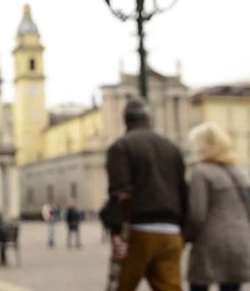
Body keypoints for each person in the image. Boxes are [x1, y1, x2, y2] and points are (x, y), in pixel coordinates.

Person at [104, 98, 187, 291]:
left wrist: (117, 232)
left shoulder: (121, 147)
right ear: (150, 120)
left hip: (139, 230)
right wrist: (182, 229)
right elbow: (183, 191)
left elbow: (121, 193)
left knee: (121, 285)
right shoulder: (172, 148)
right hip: (171, 232)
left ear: (126, 122)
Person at [184, 122, 250, 291]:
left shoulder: (201, 172)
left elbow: (197, 215)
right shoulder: (240, 173)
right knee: (231, 287)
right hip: (240, 241)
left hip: (211, 243)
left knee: (199, 285)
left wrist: (185, 237)